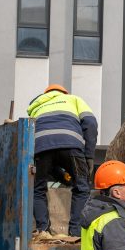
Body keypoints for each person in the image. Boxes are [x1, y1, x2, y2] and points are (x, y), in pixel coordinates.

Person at [27, 84, 98, 238]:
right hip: (71, 146)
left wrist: (64, 176)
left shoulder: (35, 107)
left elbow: (51, 157)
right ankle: (75, 233)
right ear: (64, 92)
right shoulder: (73, 99)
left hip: (41, 148)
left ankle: (43, 231)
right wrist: (89, 156)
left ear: (46, 94)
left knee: (37, 189)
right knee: (82, 188)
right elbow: (91, 124)